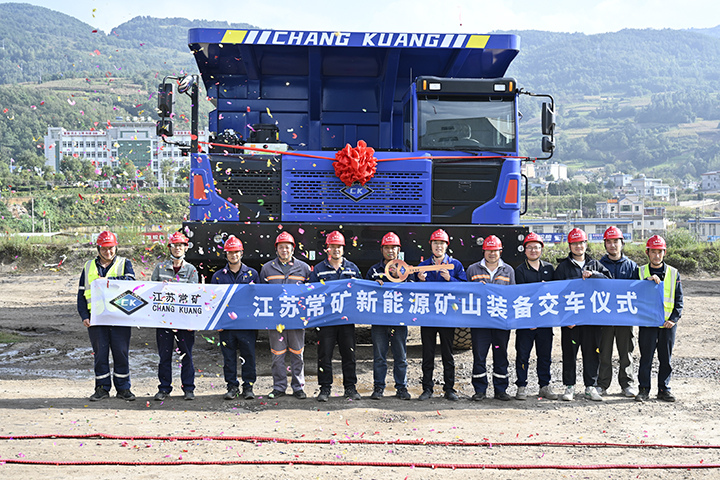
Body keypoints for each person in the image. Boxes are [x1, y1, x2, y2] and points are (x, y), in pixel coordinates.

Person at [553, 227, 612, 402]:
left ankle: (590, 386)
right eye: (575, 243)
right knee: (569, 353)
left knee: (592, 353)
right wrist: (565, 318)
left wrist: (594, 274)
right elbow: (556, 294)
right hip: (571, 321)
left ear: (586, 244)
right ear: (569, 246)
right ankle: (569, 386)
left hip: (591, 321)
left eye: (581, 243)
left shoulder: (596, 265)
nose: (578, 246)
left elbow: (610, 283)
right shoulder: (563, 267)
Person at [77, 230, 136, 402]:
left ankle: (123, 388)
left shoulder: (125, 263)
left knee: (121, 353)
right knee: (100, 354)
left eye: (111, 248)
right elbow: (81, 293)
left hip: (120, 317)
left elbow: (132, 283)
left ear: (116, 248)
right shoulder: (88, 266)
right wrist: (84, 315)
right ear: (98, 249)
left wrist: (109, 282)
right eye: (104, 248)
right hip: (97, 319)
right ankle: (102, 388)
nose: (108, 252)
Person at [309, 230, 362, 402]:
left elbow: (361, 291)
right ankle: (325, 388)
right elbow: (311, 292)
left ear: (343, 249)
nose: (336, 249)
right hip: (326, 321)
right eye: (332, 246)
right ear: (327, 249)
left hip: (346, 320)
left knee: (349, 354)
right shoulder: (318, 269)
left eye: (339, 246)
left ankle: (350, 388)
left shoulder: (352, 269)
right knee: (324, 355)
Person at [416, 229, 467, 401]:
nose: (438, 246)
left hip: (447, 315)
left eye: (442, 243)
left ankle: (449, 389)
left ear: (447, 246)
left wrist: (450, 279)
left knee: (447, 353)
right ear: (430, 245)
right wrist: (419, 281)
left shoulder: (455, 265)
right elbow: (412, 291)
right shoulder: (423, 266)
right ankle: (427, 388)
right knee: (427, 353)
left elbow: (465, 286)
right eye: (435, 243)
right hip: (428, 315)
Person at [259, 232, 311, 400]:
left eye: (287, 247)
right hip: (276, 320)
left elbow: (311, 294)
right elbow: (261, 294)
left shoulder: (304, 268)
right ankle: (279, 387)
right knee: (277, 354)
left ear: (292, 249)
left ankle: (298, 387)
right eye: (281, 247)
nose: (284, 250)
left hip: (296, 319)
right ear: (276, 249)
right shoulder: (267, 269)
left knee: (297, 354)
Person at [466, 235, 515, 401]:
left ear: (500, 251)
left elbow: (512, 296)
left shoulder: (508, 270)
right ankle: (480, 390)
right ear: (483, 251)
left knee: (501, 355)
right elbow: (466, 294)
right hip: (479, 322)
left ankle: (501, 390)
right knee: (479, 355)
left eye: (495, 250)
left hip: (501, 322)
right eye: (489, 250)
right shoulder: (473, 269)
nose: (492, 254)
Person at [151, 231, 199, 401]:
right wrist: (160, 287)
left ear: (186, 248)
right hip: (164, 320)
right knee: (164, 356)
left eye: (181, 245)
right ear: (169, 247)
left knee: (186, 355)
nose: (177, 248)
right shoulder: (160, 268)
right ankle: (164, 388)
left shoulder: (191, 270)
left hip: (184, 321)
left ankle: (189, 388)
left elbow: (194, 295)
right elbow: (151, 292)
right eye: (174, 245)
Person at [211, 235, 259, 401]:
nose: (233, 255)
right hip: (226, 325)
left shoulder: (252, 274)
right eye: (230, 252)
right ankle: (232, 387)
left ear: (241, 253)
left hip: (247, 325)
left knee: (249, 356)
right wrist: (217, 323)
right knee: (229, 358)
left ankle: (248, 387)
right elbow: (213, 301)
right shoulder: (218, 276)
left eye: (236, 252)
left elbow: (258, 299)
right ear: (226, 254)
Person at [636, 235, 683, 403]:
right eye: (653, 252)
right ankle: (643, 389)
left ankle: (664, 389)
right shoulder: (640, 272)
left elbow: (679, 300)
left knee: (665, 359)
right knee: (646, 359)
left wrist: (673, 319)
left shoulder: (673, 273)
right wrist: (645, 283)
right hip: (648, 324)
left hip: (667, 325)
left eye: (660, 252)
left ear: (664, 253)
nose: (657, 256)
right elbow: (632, 295)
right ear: (647, 253)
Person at [366, 232, 411, 400]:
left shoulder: (406, 270)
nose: (390, 251)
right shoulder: (374, 271)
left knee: (401, 356)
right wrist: (373, 285)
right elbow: (365, 292)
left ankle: (402, 388)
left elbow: (414, 291)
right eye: (387, 247)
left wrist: (407, 279)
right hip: (379, 321)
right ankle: (378, 388)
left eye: (393, 248)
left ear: (399, 250)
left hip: (399, 320)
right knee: (379, 357)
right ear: (381, 250)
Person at [513, 232, 558, 400]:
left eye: (536, 247)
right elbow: (520, 295)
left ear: (541, 249)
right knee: (523, 355)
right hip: (526, 321)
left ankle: (544, 386)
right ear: (524, 250)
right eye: (530, 247)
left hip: (545, 320)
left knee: (545, 355)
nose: (533, 250)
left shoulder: (549, 268)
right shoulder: (520, 270)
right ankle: (521, 386)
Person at [598, 226, 639, 398]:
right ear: (605, 244)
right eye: (609, 242)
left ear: (622, 243)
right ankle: (602, 385)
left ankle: (627, 384)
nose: (612, 245)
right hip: (605, 317)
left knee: (626, 352)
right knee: (604, 352)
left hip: (624, 317)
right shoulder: (598, 265)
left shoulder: (632, 266)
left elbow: (639, 290)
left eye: (616, 241)